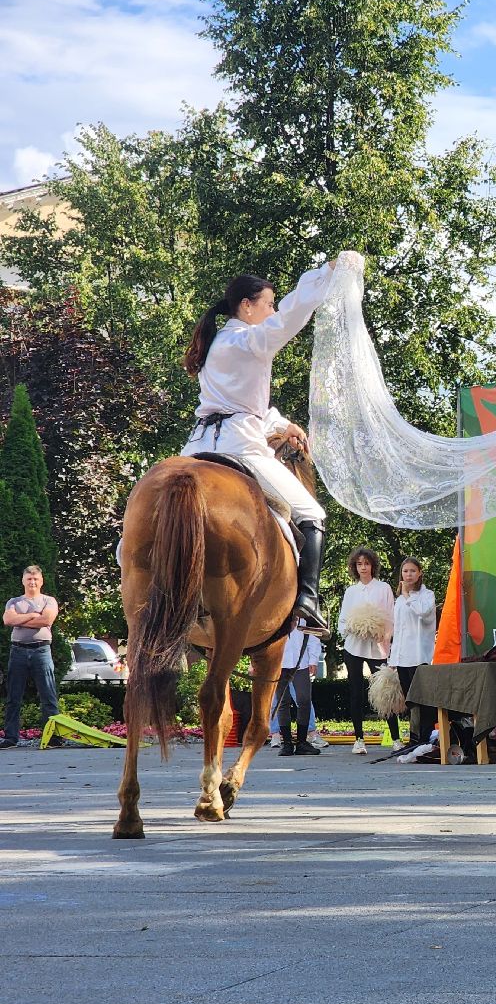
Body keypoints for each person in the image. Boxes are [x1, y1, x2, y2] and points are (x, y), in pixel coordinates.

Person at [180, 259, 340, 632]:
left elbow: (245, 406)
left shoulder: (218, 343)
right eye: (268, 303)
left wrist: (284, 424)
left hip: (198, 444)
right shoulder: (247, 340)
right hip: (240, 447)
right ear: (247, 306)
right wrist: (325, 273)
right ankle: (307, 601)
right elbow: (289, 318)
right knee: (312, 514)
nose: (272, 309)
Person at [338, 546, 395, 754]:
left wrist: (383, 633)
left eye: (367, 563)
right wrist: (354, 628)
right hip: (354, 645)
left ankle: (396, 738)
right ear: (355, 567)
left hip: (378, 647)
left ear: (373, 565)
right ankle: (359, 739)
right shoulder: (351, 591)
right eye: (359, 564)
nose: (363, 568)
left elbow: (390, 616)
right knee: (356, 692)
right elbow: (342, 621)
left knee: (385, 690)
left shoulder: (383, 588)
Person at [1, 566, 59, 748]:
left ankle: (53, 738)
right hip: (17, 651)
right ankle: (11, 737)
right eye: (29, 579)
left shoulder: (49, 601)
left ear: (41, 581)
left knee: (48, 696)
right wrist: (34, 615)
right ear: (23, 581)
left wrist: (22, 619)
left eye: (35, 579)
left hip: (41, 651)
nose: (32, 582)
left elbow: (47, 620)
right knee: (13, 696)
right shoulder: (13, 601)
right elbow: (8, 620)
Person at [388, 556, 437, 753]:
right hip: (403, 656)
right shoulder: (399, 599)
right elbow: (398, 629)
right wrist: (393, 657)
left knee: (422, 698)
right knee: (410, 699)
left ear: (419, 573)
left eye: (412, 571)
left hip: (419, 656)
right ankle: (414, 736)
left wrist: (408, 596)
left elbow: (423, 613)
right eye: (405, 571)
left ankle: (423, 736)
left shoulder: (427, 595)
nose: (408, 575)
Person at [275, 620, 322, 757]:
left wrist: (313, 659)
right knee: (282, 702)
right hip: (280, 663)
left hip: (301, 662)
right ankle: (287, 743)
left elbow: (313, 636)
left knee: (304, 700)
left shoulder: (304, 614)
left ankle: (301, 742)